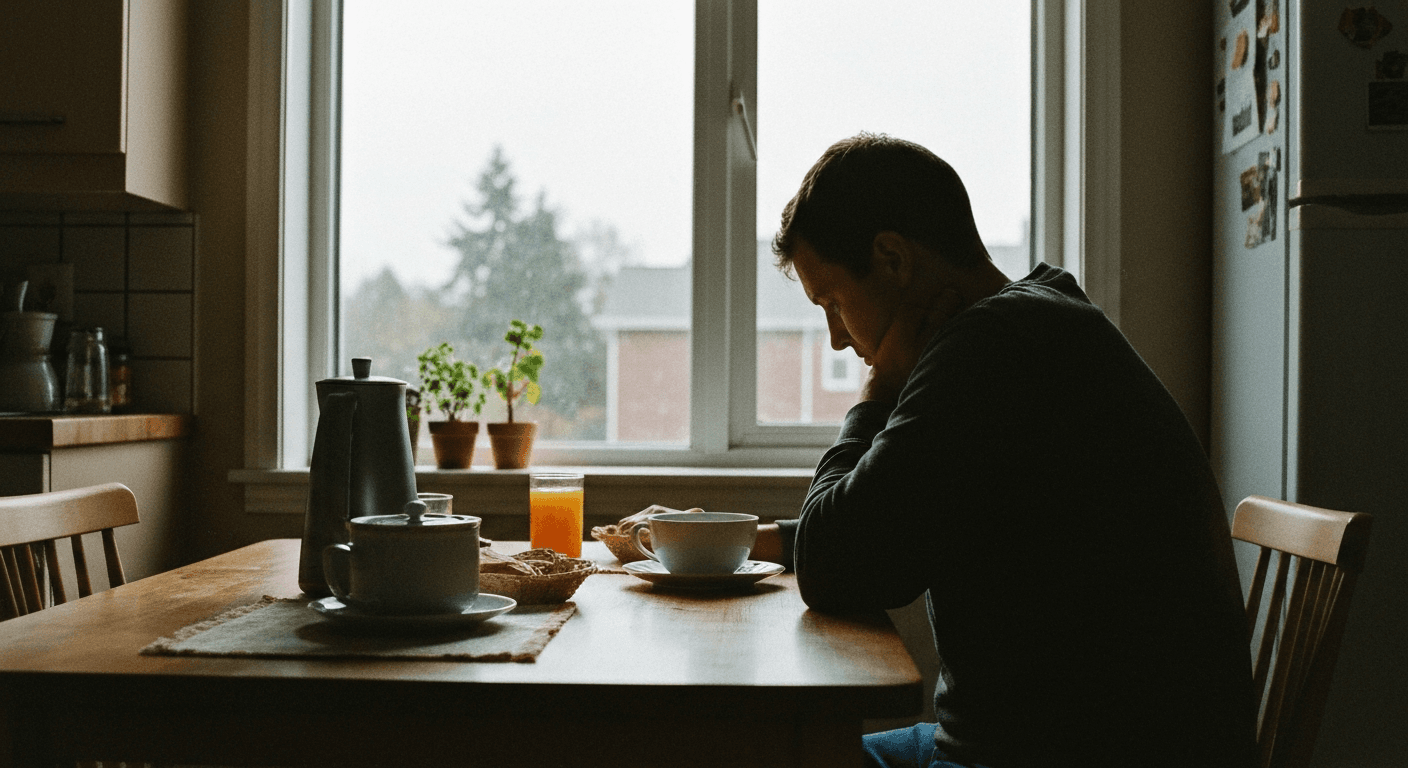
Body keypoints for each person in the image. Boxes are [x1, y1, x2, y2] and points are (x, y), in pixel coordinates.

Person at [747, 133, 1257, 768]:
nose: (835, 339)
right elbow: (891, 509)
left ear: (892, 259)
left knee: (769, 754)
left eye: (832, 302)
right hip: (1092, 744)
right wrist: (742, 541)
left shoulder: (987, 351)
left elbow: (836, 567)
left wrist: (875, 396)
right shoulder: (1034, 317)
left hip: (1061, 757)